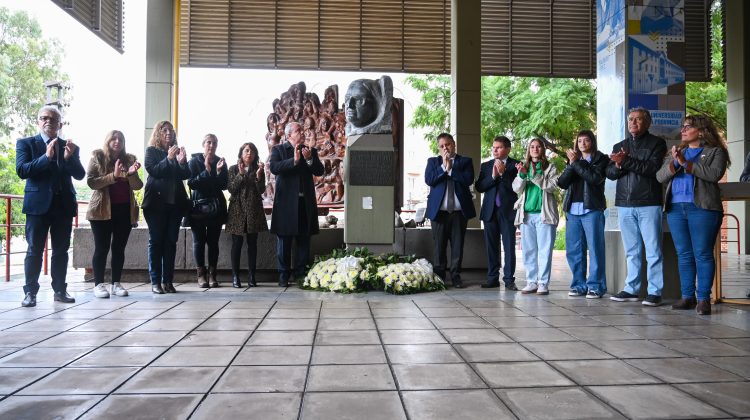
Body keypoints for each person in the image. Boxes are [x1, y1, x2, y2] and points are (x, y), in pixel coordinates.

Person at [656, 115, 729, 315]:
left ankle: (704, 298)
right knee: (684, 254)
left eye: (688, 127)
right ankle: (688, 296)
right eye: (683, 126)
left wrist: (686, 163)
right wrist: (677, 162)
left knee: (703, 254)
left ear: (701, 130)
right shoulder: (676, 152)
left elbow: (713, 174)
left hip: (703, 208)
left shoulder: (715, 152)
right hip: (676, 208)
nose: (683, 130)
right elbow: (660, 176)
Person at [16, 105, 85, 307]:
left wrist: (68, 158)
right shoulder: (26, 144)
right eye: (44, 118)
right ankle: (30, 292)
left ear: (60, 124)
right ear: (38, 121)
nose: (48, 121)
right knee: (34, 250)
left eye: (53, 119)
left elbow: (80, 174)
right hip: (37, 206)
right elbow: (22, 170)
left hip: (63, 206)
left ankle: (60, 290)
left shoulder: (70, 146)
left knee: (61, 251)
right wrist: (45, 158)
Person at [606, 107, 667, 306]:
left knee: (653, 250)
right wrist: (617, 165)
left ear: (647, 123)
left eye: (639, 120)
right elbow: (610, 174)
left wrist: (625, 161)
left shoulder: (657, 143)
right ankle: (631, 289)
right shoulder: (619, 145)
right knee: (632, 250)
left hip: (649, 203)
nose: (634, 123)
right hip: (624, 204)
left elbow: (652, 169)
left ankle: (654, 292)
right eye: (631, 119)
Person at [86, 130, 143, 298]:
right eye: (114, 138)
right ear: (108, 141)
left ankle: (116, 284)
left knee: (119, 248)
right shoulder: (97, 157)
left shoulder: (130, 159)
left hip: (124, 210)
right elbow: (91, 182)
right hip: (101, 211)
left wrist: (131, 174)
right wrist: (114, 176)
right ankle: (98, 284)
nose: (117, 141)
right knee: (101, 248)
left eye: (121, 139)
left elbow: (138, 186)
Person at [270, 122, 325, 286]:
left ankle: (301, 274)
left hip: (304, 202)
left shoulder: (310, 150)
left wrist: (309, 159)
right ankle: (283, 275)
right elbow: (274, 167)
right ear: (288, 135)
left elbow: (319, 171)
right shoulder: (278, 150)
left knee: (303, 239)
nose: (302, 132)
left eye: (302, 130)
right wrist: (293, 161)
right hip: (286, 203)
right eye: (298, 130)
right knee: (284, 241)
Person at [557, 130, 609, 298]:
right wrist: (572, 164)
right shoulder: (573, 161)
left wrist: (576, 163)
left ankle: (596, 286)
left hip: (592, 209)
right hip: (573, 210)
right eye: (579, 141)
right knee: (574, 250)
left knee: (595, 248)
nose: (583, 144)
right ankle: (579, 285)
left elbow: (594, 179)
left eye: (586, 141)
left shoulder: (601, 159)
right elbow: (562, 183)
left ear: (592, 142)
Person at [142, 120, 191, 294]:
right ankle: (155, 281)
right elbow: (154, 170)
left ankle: (168, 281)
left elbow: (186, 175)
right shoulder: (151, 151)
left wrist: (183, 162)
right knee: (156, 242)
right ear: (158, 133)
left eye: (171, 130)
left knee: (171, 242)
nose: (168, 133)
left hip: (175, 205)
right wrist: (169, 159)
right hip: (156, 205)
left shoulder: (177, 150)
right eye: (164, 130)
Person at [424, 133, 476, 288]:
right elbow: (429, 180)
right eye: (442, 146)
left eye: (448, 144)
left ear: (454, 144)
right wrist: (443, 168)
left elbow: (468, 180)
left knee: (458, 245)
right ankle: (440, 276)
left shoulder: (465, 161)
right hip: (439, 213)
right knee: (439, 246)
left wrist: (451, 169)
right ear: (438, 148)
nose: (445, 148)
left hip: (459, 213)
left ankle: (456, 275)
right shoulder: (433, 162)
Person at [513, 138, 560, 295]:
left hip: (544, 215)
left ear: (543, 149)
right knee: (529, 251)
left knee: (544, 251)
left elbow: (552, 187)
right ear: (528, 150)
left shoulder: (550, 168)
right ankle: (531, 282)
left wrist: (532, 175)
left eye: (538, 146)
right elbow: (516, 188)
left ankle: (543, 283)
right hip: (527, 215)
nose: (535, 149)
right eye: (532, 146)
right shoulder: (524, 166)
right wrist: (521, 175)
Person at [475, 136, 520, 290]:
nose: (495, 150)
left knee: (509, 247)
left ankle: (509, 280)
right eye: (493, 147)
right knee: (491, 247)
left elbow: (517, 188)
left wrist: (503, 174)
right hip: (489, 212)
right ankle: (492, 278)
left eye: (499, 147)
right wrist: (494, 176)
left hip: (507, 212)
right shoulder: (486, 165)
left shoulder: (516, 165)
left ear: (508, 149)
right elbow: (479, 187)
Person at [187, 134, 228, 288]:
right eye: (208, 143)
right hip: (198, 207)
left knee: (213, 242)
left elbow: (224, 185)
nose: (211, 145)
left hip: (215, 207)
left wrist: (217, 172)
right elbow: (191, 184)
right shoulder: (194, 161)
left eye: (214, 143)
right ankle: (200, 274)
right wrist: (206, 171)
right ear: (203, 144)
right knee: (198, 242)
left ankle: (212, 274)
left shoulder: (221, 161)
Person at [226, 142, 268, 288]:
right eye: (246, 151)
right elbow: (231, 189)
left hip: (253, 211)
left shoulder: (259, 169)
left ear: (256, 155)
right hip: (237, 210)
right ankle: (235, 277)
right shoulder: (233, 169)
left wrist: (258, 177)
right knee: (236, 244)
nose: (249, 153)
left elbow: (262, 190)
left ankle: (252, 276)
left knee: (252, 245)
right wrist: (241, 175)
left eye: (252, 151)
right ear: (241, 153)